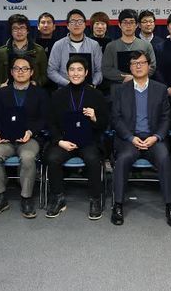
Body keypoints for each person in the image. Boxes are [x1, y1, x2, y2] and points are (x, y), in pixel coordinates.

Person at [110, 50, 171, 227]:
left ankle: (170, 205)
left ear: (149, 66)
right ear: (130, 67)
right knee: (123, 159)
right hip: (129, 139)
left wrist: (156, 137)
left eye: (142, 63)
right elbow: (116, 119)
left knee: (164, 158)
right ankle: (117, 205)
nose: (138, 66)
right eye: (134, 63)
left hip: (153, 139)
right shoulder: (120, 90)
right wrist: (130, 137)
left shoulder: (160, 89)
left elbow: (166, 118)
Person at [44, 55, 109, 220]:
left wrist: (94, 117)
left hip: (88, 141)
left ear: (86, 72)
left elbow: (105, 123)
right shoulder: (58, 95)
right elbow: (50, 123)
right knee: (52, 158)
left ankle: (95, 199)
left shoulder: (96, 94)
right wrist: (60, 141)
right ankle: (58, 197)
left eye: (80, 70)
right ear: (67, 73)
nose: (75, 73)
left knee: (93, 159)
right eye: (72, 70)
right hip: (65, 141)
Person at [0, 55, 48, 218]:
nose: (20, 72)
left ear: (31, 72)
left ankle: (26, 198)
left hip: (29, 138)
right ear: (11, 72)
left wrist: (31, 132)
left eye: (25, 69)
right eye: (16, 68)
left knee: (28, 157)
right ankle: (0, 197)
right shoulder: (2, 93)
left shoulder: (40, 93)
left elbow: (44, 119)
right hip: (5, 138)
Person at [102, 9, 157, 98]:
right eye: (125, 22)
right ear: (119, 25)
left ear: (136, 25)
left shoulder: (146, 45)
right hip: (118, 88)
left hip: (142, 87)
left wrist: (135, 77)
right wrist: (124, 77)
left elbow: (152, 66)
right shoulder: (111, 46)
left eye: (131, 22)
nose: (128, 26)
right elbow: (106, 69)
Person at [48, 9, 103, 87]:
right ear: (67, 26)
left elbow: (99, 71)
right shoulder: (58, 45)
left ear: (85, 25)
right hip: (65, 89)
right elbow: (51, 71)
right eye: (73, 21)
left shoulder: (94, 45)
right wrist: (68, 84)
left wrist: (92, 84)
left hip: (89, 89)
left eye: (80, 21)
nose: (77, 24)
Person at [0, 14, 48, 88]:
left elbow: (44, 75)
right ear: (11, 31)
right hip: (9, 91)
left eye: (22, 28)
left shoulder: (39, 50)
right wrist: (0, 86)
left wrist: (36, 83)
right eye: (15, 28)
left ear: (27, 30)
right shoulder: (2, 52)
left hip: (32, 90)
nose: (19, 31)